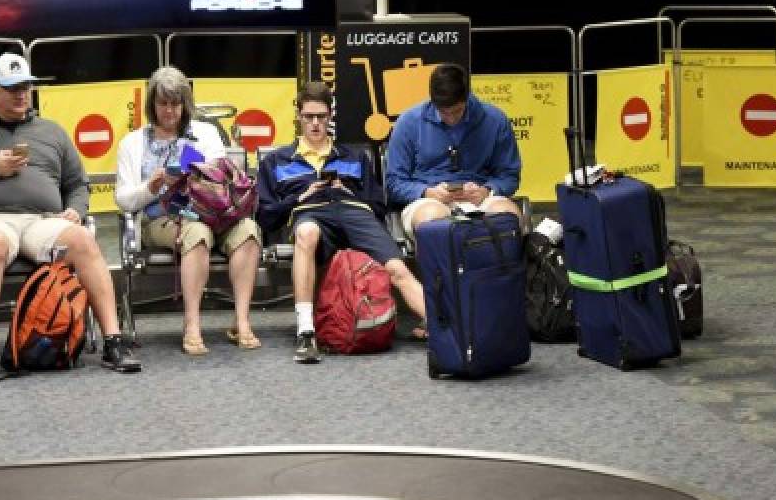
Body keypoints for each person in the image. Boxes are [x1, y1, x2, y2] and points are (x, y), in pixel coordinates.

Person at [0, 53, 142, 382]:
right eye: (13, 87)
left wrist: (76, 208)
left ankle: (114, 341)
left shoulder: (52, 131)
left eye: (26, 86)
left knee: (83, 239)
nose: (21, 94)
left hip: (41, 221)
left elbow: (78, 184)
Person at [256, 82, 426, 364]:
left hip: (354, 212)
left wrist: (352, 193)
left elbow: (379, 207)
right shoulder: (277, 161)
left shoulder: (355, 157)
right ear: (298, 116)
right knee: (307, 233)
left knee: (397, 268)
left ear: (329, 117)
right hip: (311, 212)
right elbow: (265, 216)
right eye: (309, 116)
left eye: (321, 117)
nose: (315, 124)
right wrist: (299, 196)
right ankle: (306, 332)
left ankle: (444, 331)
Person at [115, 66, 263, 355]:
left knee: (248, 231)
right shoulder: (132, 143)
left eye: (176, 103)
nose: (169, 111)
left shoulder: (206, 133)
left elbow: (224, 181)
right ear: (151, 105)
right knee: (195, 231)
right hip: (162, 218)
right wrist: (153, 186)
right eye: (163, 104)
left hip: (214, 212)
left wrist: (197, 174)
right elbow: (123, 201)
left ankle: (242, 321)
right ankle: (192, 324)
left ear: (185, 104)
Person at [385, 63, 523, 237]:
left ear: (466, 97)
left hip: (481, 197)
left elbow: (509, 175)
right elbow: (394, 182)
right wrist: (426, 192)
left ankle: (502, 264)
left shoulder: (495, 119)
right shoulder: (408, 122)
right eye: (443, 112)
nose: (450, 118)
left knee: (507, 218)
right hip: (427, 199)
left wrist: (487, 190)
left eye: (457, 111)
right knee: (434, 222)